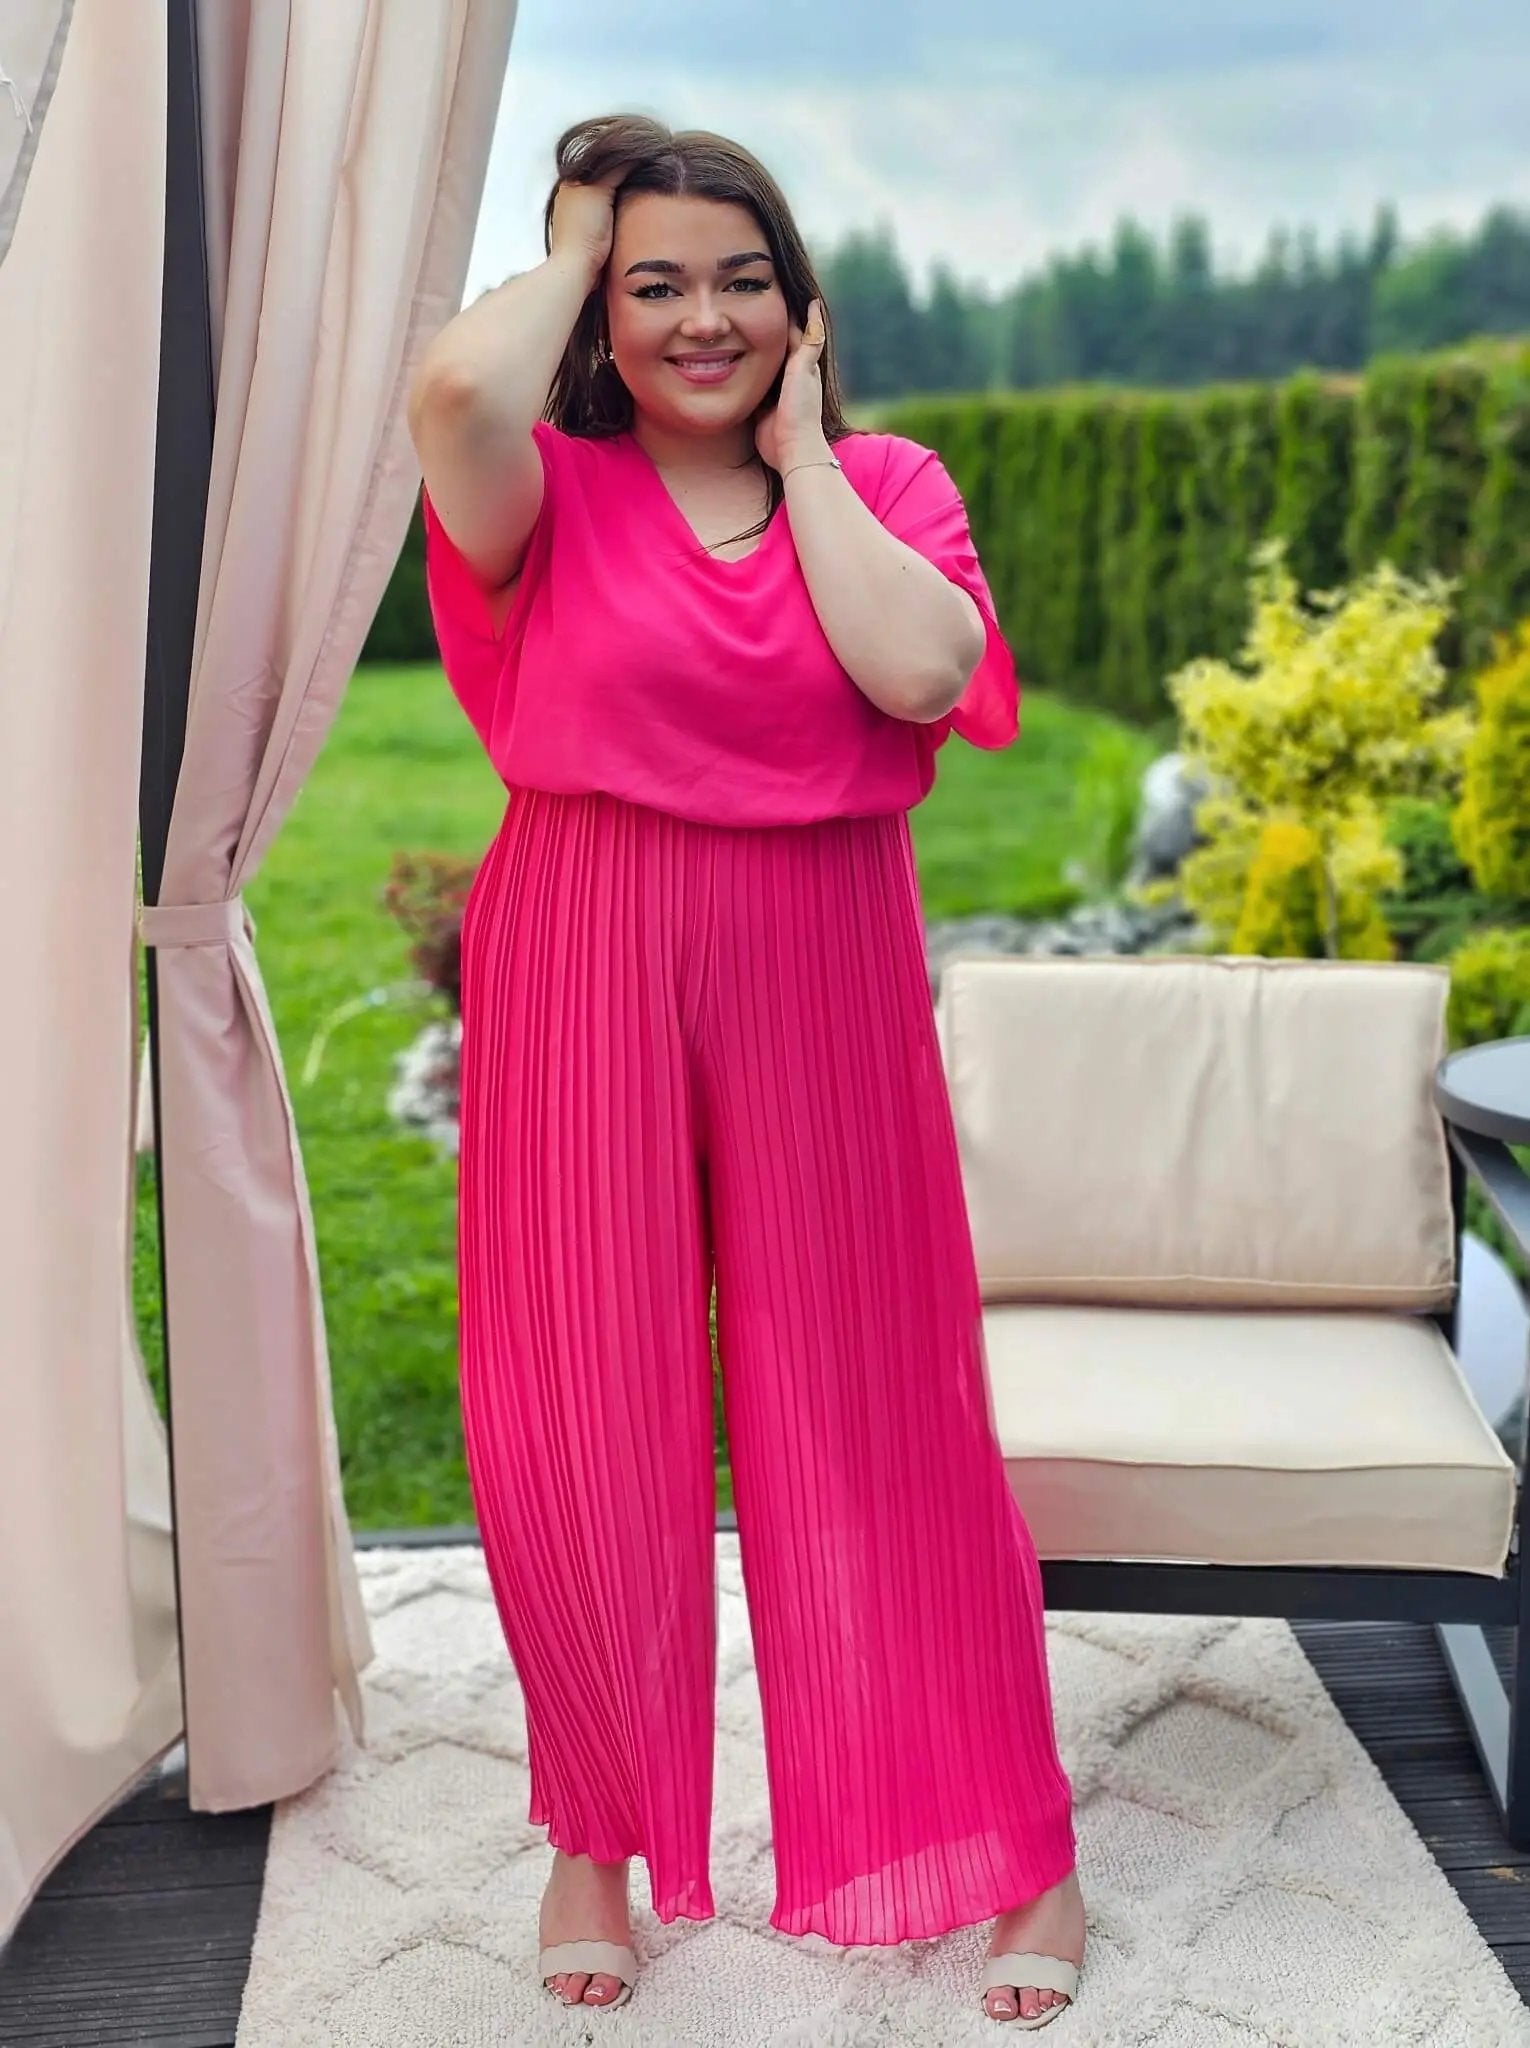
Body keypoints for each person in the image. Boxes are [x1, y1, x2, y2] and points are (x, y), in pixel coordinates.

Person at [406, 112, 1086, 2032]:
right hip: (582, 956)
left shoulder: (888, 481)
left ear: (800, 302)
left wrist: (803, 465)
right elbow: (451, 384)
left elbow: (921, 674)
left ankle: (1008, 1840)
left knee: (883, 1411)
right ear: (594, 314)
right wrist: (577, 234)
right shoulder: (535, 488)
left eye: (740, 278)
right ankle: (593, 1834)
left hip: (821, 962)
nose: (702, 317)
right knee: (578, 1417)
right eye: (654, 286)